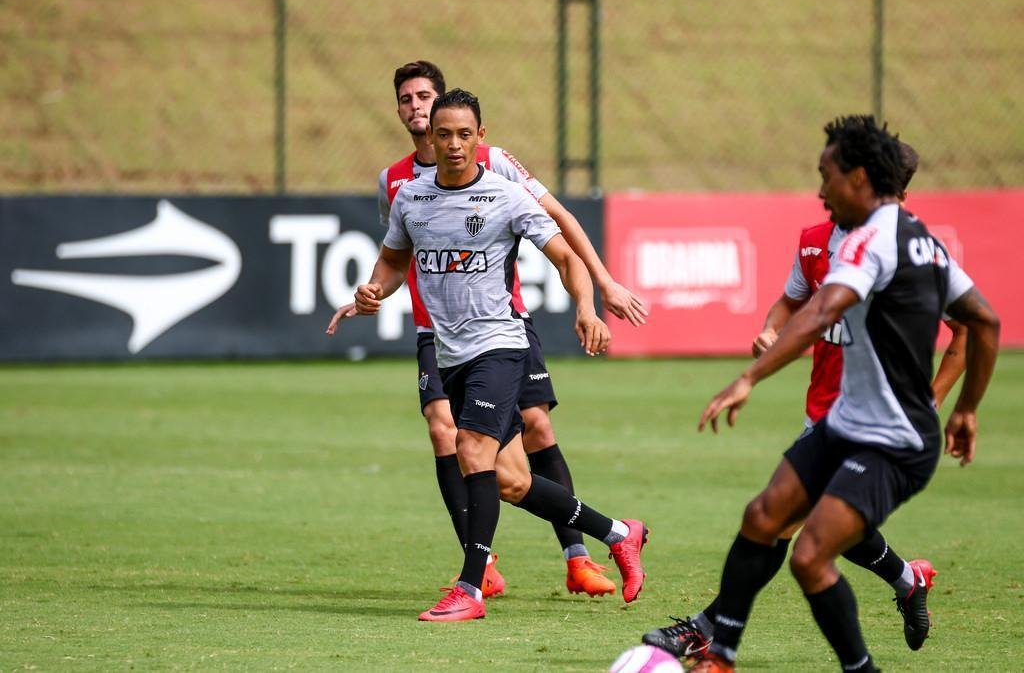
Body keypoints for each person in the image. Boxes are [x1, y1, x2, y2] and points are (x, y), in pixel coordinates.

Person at [685, 115, 1000, 672]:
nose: (819, 189)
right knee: (763, 516)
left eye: (825, 175)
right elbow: (986, 321)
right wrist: (967, 409)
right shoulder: (920, 238)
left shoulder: (870, 241)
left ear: (857, 177)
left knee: (810, 556)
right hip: (848, 421)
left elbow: (824, 310)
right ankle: (722, 654)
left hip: (895, 440)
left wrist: (749, 377)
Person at [329, 60, 647, 599]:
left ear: (479, 134)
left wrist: (595, 295)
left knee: (483, 442)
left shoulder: (500, 176)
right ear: (418, 124)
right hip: (445, 340)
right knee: (508, 478)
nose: (422, 111)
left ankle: (475, 585)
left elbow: (562, 239)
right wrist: (371, 292)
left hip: (501, 335)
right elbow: (395, 259)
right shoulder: (402, 189)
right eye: (409, 101)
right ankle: (619, 533)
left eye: (426, 98)